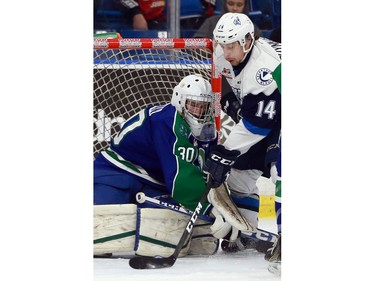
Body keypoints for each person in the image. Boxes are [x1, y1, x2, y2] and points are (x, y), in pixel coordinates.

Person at [94, 74, 222, 258]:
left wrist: (220, 206)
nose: (198, 111)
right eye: (193, 104)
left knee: (165, 229)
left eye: (203, 107)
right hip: (115, 173)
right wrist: (211, 209)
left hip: (153, 183)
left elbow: (201, 172)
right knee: (103, 232)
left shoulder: (207, 130)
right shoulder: (166, 120)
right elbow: (180, 181)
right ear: (179, 99)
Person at [203, 12, 281, 254]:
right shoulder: (223, 53)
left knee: (281, 175)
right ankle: (250, 231)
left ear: (247, 41)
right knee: (237, 180)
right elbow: (224, 78)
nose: (226, 53)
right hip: (267, 114)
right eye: (222, 45)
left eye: (231, 46)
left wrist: (224, 152)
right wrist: (231, 102)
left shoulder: (264, 69)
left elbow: (258, 125)